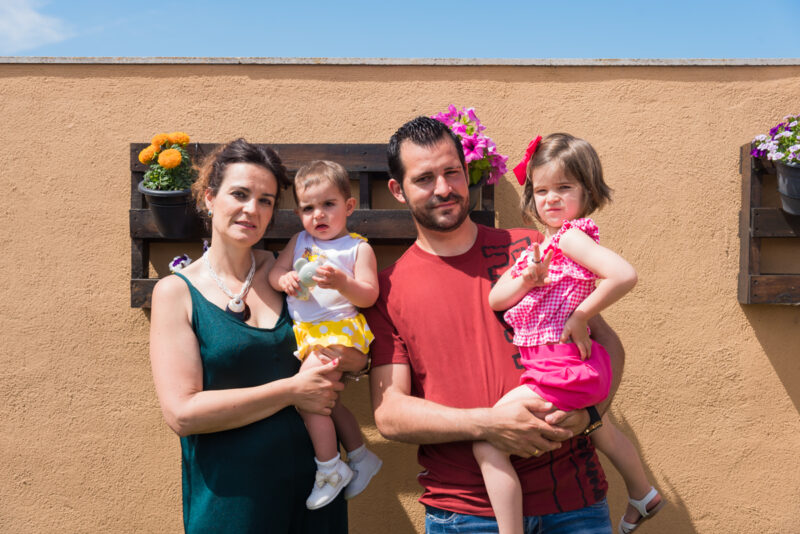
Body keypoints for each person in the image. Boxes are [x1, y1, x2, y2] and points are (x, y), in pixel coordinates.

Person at [364, 116, 625, 534]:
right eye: (425, 178)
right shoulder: (387, 290)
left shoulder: (533, 247)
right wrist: (488, 425)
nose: (444, 188)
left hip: (573, 501)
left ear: (467, 174)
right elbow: (391, 414)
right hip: (465, 514)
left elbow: (609, 347)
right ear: (398, 190)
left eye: (452, 172)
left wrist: (590, 414)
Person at [149, 139, 364, 533]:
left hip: (314, 495)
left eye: (266, 200)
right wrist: (292, 391)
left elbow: (351, 342)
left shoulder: (290, 274)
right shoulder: (176, 293)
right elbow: (182, 414)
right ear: (210, 198)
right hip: (231, 504)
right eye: (240, 194)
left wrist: (352, 360)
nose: (253, 209)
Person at [474, 133, 663, 534]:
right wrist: (527, 278)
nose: (552, 198)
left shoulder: (572, 237)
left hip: (559, 370)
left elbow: (624, 275)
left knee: (487, 441)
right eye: (541, 190)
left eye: (564, 187)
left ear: (587, 191)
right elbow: (496, 299)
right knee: (601, 431)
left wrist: (581, 315)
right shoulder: (543, 249)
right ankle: (643, 493)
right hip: (567, 368)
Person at [269, 160, 383, 510]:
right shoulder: (299, 240)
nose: (318, 214)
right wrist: (283, 279)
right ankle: (362, 458)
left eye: (328, 204)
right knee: (328, 402)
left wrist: (342, 282)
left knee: (308, 399)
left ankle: (330, 467)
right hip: (308, 336)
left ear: (348, 207)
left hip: (339, 334)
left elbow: (369, 295)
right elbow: (277, 271)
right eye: (308, 208)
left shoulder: (356, 248)